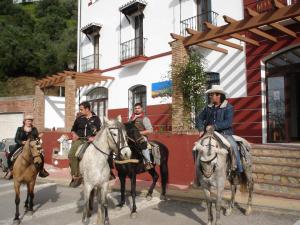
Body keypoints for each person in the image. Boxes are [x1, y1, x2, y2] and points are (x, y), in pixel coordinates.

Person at [195, 85, 243, 174]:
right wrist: (201, 129)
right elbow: (199, 118)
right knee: (195, 148)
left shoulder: (228, 107)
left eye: (211, 95)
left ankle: (238, 169)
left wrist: (214, 127)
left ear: (219, 95)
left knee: (233, 146)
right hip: (209, 133)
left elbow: (228, 122)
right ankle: (198, 170)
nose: (209, 97)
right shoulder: (208, 108)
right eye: (209, 95)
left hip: (224, 133)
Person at [5, 115, 49, 179]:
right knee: (10, 155)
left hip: (32, 146)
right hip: (20, 145)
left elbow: (36, 138)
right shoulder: (19, 129)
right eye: (28, 121)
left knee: (41, 155)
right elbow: (16, 139)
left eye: (31, 121)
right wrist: (22, 142)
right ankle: (10, 170)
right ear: (25, 121)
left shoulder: (34, 129)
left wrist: (38, 138)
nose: (29, 122)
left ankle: (41, 170)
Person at [68, 101, 101, 188]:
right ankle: (76, 176)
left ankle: (108, 173)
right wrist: (74, 134)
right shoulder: (79, 119)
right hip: (80, 140)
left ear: (87, 109)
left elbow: (100, 131)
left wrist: (94, 138)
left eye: (82, 109)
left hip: (91, 141)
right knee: (72, 155)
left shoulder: (96, 119)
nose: (80, 111)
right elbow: (73, 129)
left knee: (102, 153)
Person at [129, 103, 154, 170]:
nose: (137, 110)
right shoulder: (132, 118)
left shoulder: (145, 118)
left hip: (141, 137)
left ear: (142, 109)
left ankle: (148, 162)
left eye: (138, 108)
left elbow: (150, 130)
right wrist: (134, 118)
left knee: (143, 145)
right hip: (131, 137)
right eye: (136, 108)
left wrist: (138, 133)